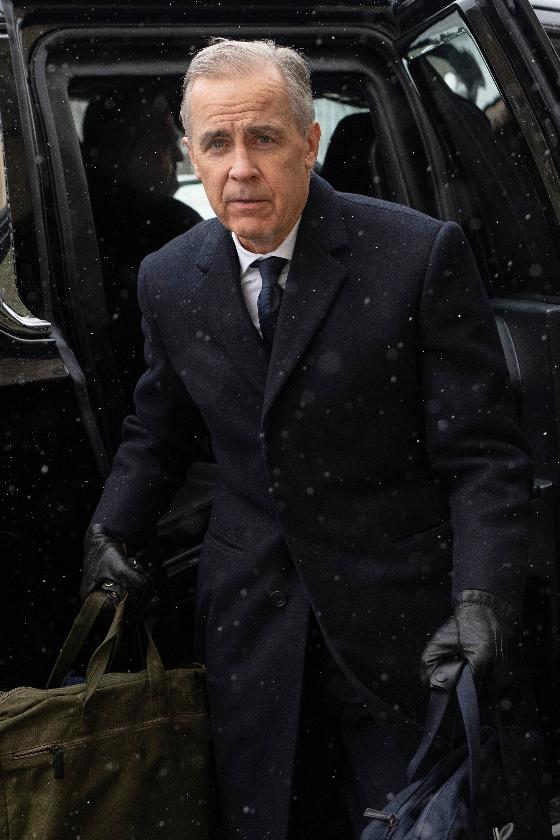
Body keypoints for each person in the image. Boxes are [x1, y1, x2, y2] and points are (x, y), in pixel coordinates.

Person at [80, 39, 536, 839]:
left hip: (403, 634)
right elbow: (157, 430)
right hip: (251, 630)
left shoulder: (413, 255)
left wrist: (480, 599)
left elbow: (483, 459)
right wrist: (111, 528)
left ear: (309, 140)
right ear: (191, 151)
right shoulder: (169, 277)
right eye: (216, 144)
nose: (240, 168)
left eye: (263, 137)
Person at [82, 89, 202, 394]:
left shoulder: (59, 218)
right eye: (166, 143)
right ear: (124, 150)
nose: (178, 155)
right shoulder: (174, 226)